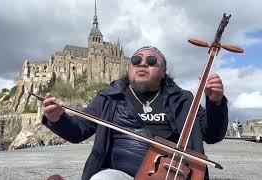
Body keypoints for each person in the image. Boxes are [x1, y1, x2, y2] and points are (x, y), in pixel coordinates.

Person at [42, 46, 228, 180]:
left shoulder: (183, 99)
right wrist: (57, 119)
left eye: (152, 61)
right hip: (121, 175)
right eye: (136, 60)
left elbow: (212, 134)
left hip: (172, 174)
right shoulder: (109, 97)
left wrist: (216, 103)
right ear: (129, 68)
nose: (143, 64)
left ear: (163, 71)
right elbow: (78, 131)